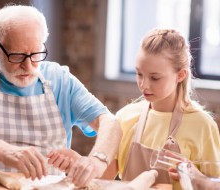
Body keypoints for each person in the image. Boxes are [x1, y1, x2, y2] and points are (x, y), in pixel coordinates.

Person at [0, 4, 122, 185]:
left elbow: (109, 123)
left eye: (35, 54)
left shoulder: (60, 80)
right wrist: (6, 152)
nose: (28, 66)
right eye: (17, 56)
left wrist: (97, 161)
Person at [48, 28, 220, 189]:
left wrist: (196, 176)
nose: (144, 85)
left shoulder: (202, 125)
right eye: (139, 74)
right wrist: (79, 165)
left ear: (180, 75)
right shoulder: (126, 117)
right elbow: (101, 182)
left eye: (155, 78)